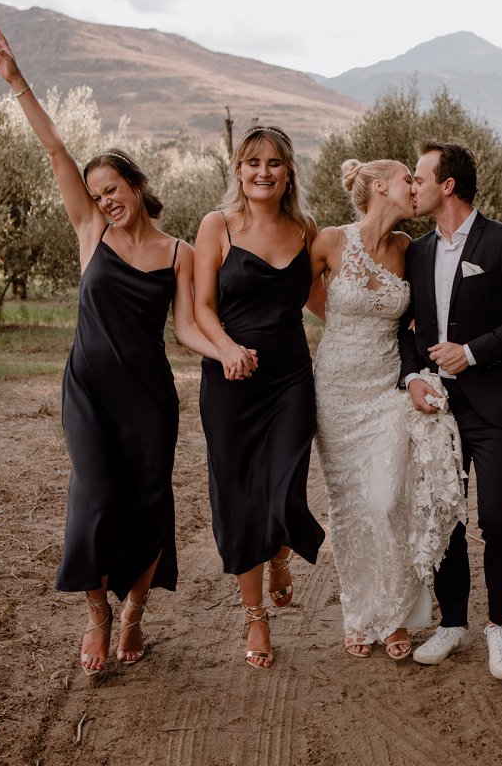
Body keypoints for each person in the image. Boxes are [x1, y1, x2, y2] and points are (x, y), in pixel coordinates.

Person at [0, 28, 226, 676]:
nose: (104, 200)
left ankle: (135, 609)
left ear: (137, 185)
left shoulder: (179, 253)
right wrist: (17, 82)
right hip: (88, 391)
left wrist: (224, 353)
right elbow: (55, 149)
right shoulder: (90, 231)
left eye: (113, 188)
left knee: (149, 506)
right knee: (92, 499)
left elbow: (185, 328)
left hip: (149, 399)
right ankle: (97, 615)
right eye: (95, 194)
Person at [399, 141, 502, 681]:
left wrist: (474, 352)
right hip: (438, 409)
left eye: (419, 179)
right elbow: (405, 328)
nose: (412, 188)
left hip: (495, 405)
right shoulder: (416, 252)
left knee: (498, 518)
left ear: (448, 186)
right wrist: (413, 377)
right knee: (446, 517)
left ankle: (499, 626)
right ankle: (453, 622)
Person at [193, 125, 326, 669]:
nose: (263, 172)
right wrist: (226, 348)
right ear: (238, 170)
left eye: (274, 163)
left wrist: (386, 323)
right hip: (230, 384)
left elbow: (322, 301)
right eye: (253, 162)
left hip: (290, 379)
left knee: (285, 486)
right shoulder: (217, 225)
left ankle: (281, 553)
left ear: (288, 172)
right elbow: (202, 307)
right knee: (240, 498)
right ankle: (255, 618)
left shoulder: (307, 229)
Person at [307, 158, 432, 660]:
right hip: (336, 391)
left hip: (386, 390)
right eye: (408, 180)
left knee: (386, 500)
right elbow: (303, 299)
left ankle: (396, 612)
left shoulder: (408, 248)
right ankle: (360, 615)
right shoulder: (330, 242)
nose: (415, 187)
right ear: (381, 186)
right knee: (349, 509)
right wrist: (344, 323)